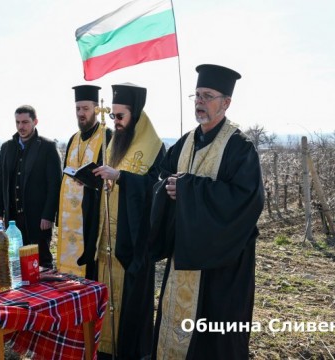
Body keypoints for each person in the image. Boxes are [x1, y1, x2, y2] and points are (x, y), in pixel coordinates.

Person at [150, 64, 265, 360]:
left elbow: (245, 200)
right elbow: (163, 179)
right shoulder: (185, 141)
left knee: (216, 337)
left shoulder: (240, 147)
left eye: (208, 96)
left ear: (225, 103)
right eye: (197, 95)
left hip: (223, 264)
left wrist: (188, 190)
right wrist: (168, 188)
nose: (200, 102)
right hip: (184, 254)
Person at [81, 83, 165, 359]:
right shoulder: (114, 142)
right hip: (106, 240)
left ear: (136, 115)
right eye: (113, 116)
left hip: (132, 244)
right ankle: (102, 350)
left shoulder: (154, 148)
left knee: (131, 307)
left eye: (120, 116)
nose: (115, 122)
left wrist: (122, 179)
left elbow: (157, 189)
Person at [0, 105, 62, 269]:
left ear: (35, 121)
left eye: (25, 122)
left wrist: (49, 215)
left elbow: (55, 184)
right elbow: (0, 181)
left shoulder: (47, 147)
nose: (21, 127)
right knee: (15, 260)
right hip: (12, 218)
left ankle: (45, 294)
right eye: (17, 122)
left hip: (38, 218)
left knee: (41, 261)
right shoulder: (7, 147)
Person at [56, 85, 112, 279]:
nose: (81, 113)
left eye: (85, 109)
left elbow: (108, 174)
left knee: (88, 266)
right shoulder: (73, 138)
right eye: (78, 109)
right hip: (68, 214)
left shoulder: (107, 136)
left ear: (96, 109)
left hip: (90, 211)